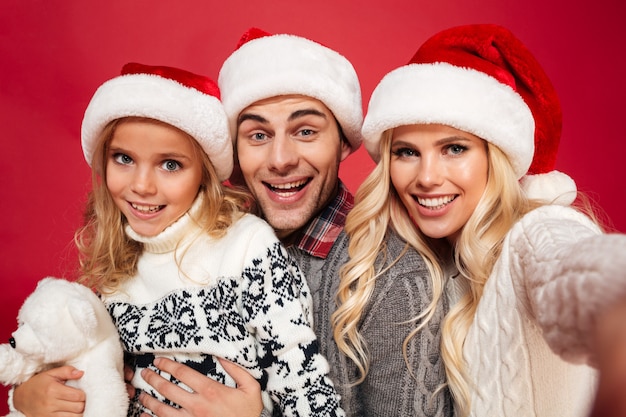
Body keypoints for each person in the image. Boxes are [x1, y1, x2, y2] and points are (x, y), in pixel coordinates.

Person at [136, 28, 451, 417]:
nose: (281, 158)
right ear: (233, 150)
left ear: (343, 143)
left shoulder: (394, 279)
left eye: (305, 131)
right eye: (258, 134)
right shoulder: (191, 245)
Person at [11, 62, 345, 417]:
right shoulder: (120, 262)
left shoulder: (246, 247)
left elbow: (304, 384)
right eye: (123, 158)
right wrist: (25, 399)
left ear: (204, 172)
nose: (142, 185)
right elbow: (83, 369)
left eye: (170, 164)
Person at [358, 23, 626, 417]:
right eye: (406, 152)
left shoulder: (533, 235)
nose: (427, 177)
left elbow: (587, 273)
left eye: (454, 148)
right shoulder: (430, 266)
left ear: (494, 159)